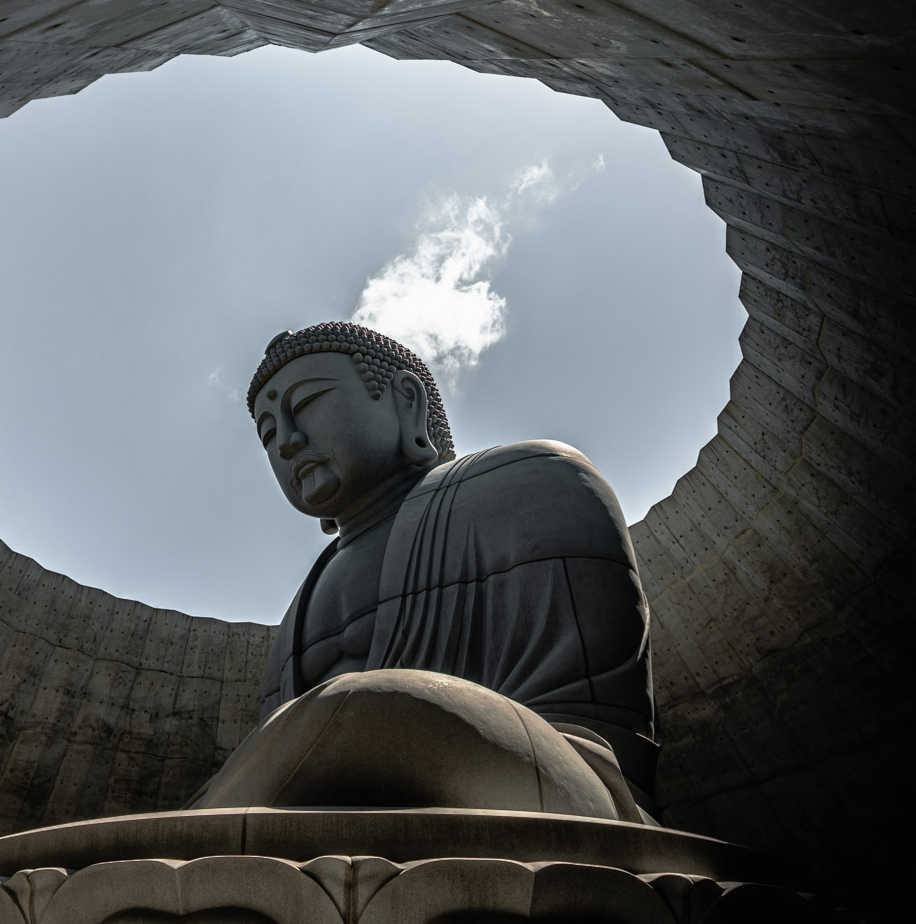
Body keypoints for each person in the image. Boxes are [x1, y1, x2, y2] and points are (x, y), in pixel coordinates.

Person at [192, 321, 659, 823]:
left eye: (306, 403)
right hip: (326, 837)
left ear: (405, 402)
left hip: (553, 797)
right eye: (267, 434)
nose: (286, 441)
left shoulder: (532, 480)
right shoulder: (299, 612)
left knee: (360, 710)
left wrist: (368, 718)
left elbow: (587, 734)